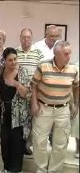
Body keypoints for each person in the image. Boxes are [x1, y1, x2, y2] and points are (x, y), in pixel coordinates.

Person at [31, 41, 79, 173]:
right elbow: (34, 85)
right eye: (66, 53)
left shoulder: (73, 69)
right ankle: (41, 169)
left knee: (60, 144)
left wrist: (75, 105)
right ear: (56, 54)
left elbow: (76, 87)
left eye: (70, 53)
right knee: (39, 141)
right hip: (43, 108)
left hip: (63, 110)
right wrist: (34, 103)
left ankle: (54, 171)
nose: (69, 56)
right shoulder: (43, 66)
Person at [0, 47, 31, 173]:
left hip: (18, 114)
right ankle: (6, 167)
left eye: (15, 59)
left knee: (17, 144)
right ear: (5, 61)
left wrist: (16, 84)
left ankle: (15, 169)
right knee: (5, 143)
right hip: (4, 112)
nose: (13, 62)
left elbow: (27, 94)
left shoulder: (22, 71)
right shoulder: (1, 71)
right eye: (10, 60)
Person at [16, 28, 44, 155]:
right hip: (18, 93)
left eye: (28, 37)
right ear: (20, 38)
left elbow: (43, 73)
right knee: (20, 119)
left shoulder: (38, 53)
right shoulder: (15, 52)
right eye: (23, 37)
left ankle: (28, 144)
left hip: (34, 92)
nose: (26, 40)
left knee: (32, 120)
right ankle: (19, 144)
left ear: (32, 39)